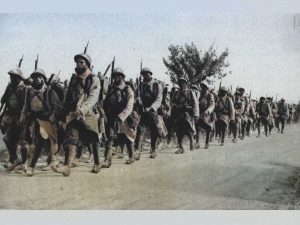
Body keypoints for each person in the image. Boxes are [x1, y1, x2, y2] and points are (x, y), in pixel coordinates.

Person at [52, 52, 101, 176]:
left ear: (87, 65)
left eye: (81, 62)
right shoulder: (74, 79)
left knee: (93, 139)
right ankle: (67, 167)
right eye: (77, 62)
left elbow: (93, 97)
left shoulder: (93, 79)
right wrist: (65, 112)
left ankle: (97, 162)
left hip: (88, 114)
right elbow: (68, 96)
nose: (78, 65)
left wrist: (81, 110)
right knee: (71, 139)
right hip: (73, 113)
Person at [101, 68, 139, 167]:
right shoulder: (111, 88)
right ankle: (107, 160)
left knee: (128, 137)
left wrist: (122, 115)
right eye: (114, 76)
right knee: (110, 137)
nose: (116, 78)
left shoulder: (127, 89)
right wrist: (104, 113)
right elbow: (106, 102)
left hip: (125, 116)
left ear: (122, 77)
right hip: (112, 116)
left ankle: (131, 156)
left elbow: (130, 104)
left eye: (118, 76)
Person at [0, 68, 27, 171]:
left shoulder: (24, 88)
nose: (12, 79)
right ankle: (14, 159)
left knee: (23, 141)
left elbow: (26, 103)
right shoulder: (10, 87)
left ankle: (24, 162)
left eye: (14, 77)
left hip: (21, 117)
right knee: (7, 139)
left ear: (19, 78)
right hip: (11, 117)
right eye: (11, 77)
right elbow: (3, 100)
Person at [135, 67, 164, 159]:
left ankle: (153, 149)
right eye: (143, 74)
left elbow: (159, 99)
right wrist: (139, 102)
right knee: (140, 130)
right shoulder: (140, 85)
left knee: (154, 130)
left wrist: (150, 108)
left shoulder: (157, 85)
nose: (145, 76)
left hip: (152, 110)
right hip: (142, 110)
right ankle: (138, 150)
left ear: (151, 74)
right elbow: (138, 95)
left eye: (147, 74)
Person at [171, 77, 199, 153]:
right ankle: (181, 148)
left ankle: (192, 142)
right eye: (180, 82)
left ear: (186, 84)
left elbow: (195, 103)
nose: (181, 84)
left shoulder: (190, 92)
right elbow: (172, 102)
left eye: (183, 82)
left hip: (188, 114)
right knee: (178, 131)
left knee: (188, 128)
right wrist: (175, 106)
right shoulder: (176, 93)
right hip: (178, 114)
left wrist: (196, 115)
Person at [195, 81, 215, 149]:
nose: (203, 89)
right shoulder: (199, 95)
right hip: (200, 113)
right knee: (197, 127)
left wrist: (208, 111)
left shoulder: (210, 95)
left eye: (204, 87)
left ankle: (207, 143)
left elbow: (212, 104)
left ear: (207, 88)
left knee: (208, 128)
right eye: (202, 87)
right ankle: (197, 142)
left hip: (208, 114)